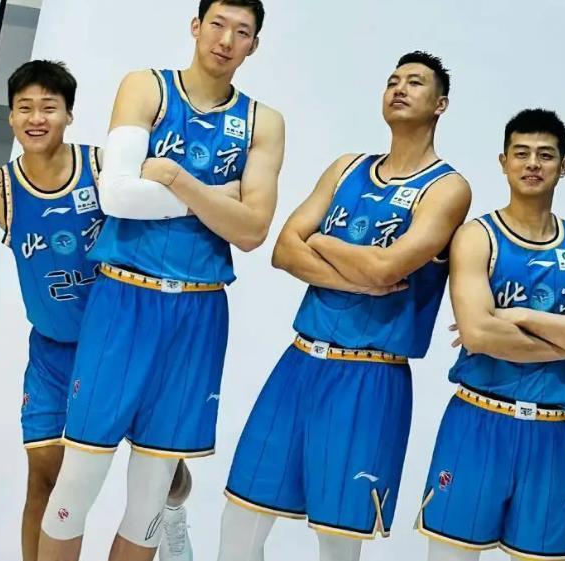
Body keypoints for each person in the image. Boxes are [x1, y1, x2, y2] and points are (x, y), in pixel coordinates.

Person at [0, 60, 194, 561]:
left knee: (165, 477)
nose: (36, 118)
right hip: (54, 355)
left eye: (48, 107)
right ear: (12, 117)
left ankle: (172, 513)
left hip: (123, 349)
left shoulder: (103, 169)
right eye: (25, 108)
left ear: (69, 115)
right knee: (44, 477)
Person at [38, 1, 285, 560]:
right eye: (217, 24)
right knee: (77, 482)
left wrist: (174, 177)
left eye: (242, 31)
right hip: (123, 299)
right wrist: (216, 199)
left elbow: (252, 230)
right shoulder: (146, 87)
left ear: (253, 45)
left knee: (151, 497)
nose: (226, 39)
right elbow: (117, 195)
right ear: (196, 27)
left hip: (198, 311)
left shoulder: (263, 122)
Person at [219, 51, 471, 561]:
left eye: (415, 82)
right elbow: (283, 249)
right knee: (240, 521)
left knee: (336, 542)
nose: (399, 88)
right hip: (300, 361)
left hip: (370, 375)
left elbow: (385, 269)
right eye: (392, 80)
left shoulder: (447, 188)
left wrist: (322, 243)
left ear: (440, 104)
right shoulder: (347, 167)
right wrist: (356, 270)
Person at [418, 108, 565, 561]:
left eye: (545, 155)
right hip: (477, 421)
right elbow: (478, 334)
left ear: (564, 166)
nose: (533, 163)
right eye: (522, 153)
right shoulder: (476, 236)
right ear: (504, 161)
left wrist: (518, 316)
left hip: (551, 433)